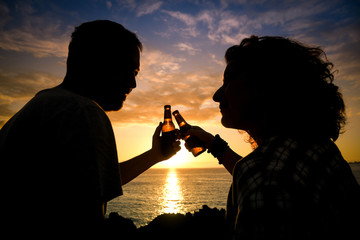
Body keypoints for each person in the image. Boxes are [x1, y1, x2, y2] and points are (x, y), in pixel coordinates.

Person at [0, 20, 180, 233]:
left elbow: (86, 184)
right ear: (98, 61)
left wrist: (154, 155)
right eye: (127, 70)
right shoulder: (83, 112)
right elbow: (86, 221)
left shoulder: (42, 107)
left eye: (136, 73)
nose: (133, 84)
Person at [187, 36, 360, 239]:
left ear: (264, 84)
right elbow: (274, 171)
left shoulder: (265, 175)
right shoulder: (313, 145)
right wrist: (216, 146)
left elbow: (264, 177)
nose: (217, 95)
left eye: (229, 80)